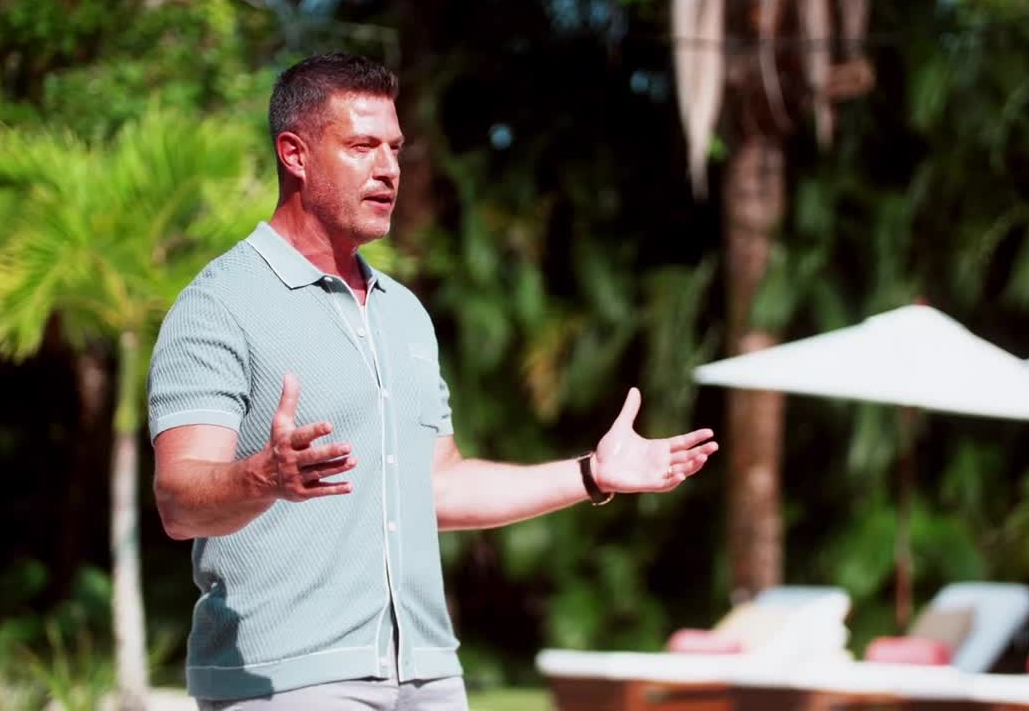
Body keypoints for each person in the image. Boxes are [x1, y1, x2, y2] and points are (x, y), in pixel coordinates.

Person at [148, 52, 719, 711]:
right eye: (362, 146)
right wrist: (265, 478)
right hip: (286, 681)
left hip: (426, 675)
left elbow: (437, 485)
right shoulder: (220, 303)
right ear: (294, 155)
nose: (388, 168)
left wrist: (591, 474)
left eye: (395, 149)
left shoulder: (403, 313)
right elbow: (178, 502)